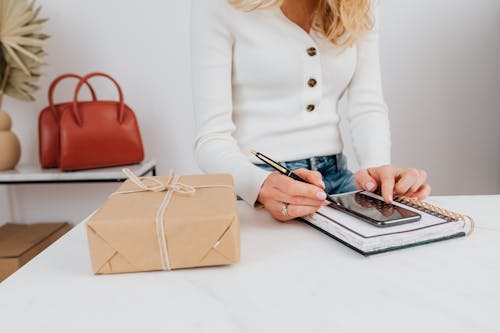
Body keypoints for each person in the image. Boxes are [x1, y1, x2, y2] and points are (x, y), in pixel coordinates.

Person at [191, 0, 431, 222]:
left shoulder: (358, 4)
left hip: (337, 180)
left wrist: (378, 176)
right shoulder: (219, 5)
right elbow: (211, 140)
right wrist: (260, 186)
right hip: (254, 184)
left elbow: (367, 106)